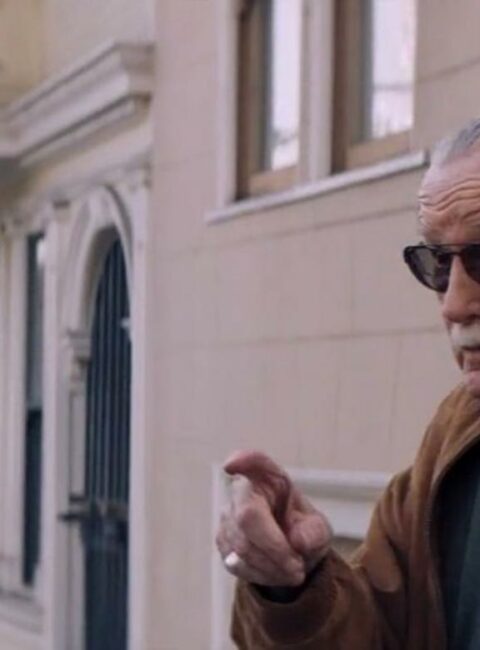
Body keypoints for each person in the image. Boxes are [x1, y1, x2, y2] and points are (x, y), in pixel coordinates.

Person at [215, 119, 480, 649]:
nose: (453, 304)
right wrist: (295, 587)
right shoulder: (452, 438)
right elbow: (381, 633)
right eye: (437, 263)